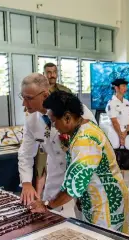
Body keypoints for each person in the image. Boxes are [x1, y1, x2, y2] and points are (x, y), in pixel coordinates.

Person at [30, 91, 129, 235]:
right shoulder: (82, 128)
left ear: (67, 118)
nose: (54, 126)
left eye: (54, 121)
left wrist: (47, 204)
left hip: (105, 202)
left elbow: (74, 186)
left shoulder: (85, 139)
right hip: (96, 197)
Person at [18, 73, 95, 216]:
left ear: (45, 95)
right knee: (47, 214)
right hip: (55, 168)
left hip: (84, 168)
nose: (24, 103)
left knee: (86, 212)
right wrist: (26, 182)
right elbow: (25, 153)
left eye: (28, 98)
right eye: (22, 97)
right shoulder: (31, 121)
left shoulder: (75, 110)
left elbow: (93, 145)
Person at [34, 63, 74, 199]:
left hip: (60, 132)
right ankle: (39, 197)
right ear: (44, 75)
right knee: (41, 166)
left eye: (54, 72)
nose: (52, 75)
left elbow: (73, 109)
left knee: (62, 163)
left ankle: (61, 195)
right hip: (43, 133)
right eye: (49, 72)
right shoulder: (38, 92)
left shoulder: (64, 91)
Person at [105, 78, 129, 149]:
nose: (125, 88)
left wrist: (126, 132)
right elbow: (114, 121)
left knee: (127, 156)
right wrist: (121, 136)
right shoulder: (111, 103)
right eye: (123, 86)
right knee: (115, 154)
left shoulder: (127, 102)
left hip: (126, 132)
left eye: (126, 86)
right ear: (116, 88)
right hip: (115, 132)